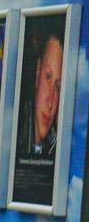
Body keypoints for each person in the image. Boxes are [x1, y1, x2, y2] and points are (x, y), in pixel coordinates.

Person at [21, 30, 64, 159]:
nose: (50, 101)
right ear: (38, 71)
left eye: (57, 87)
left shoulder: (60, 148)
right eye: (48, 77)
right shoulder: (12, 135)